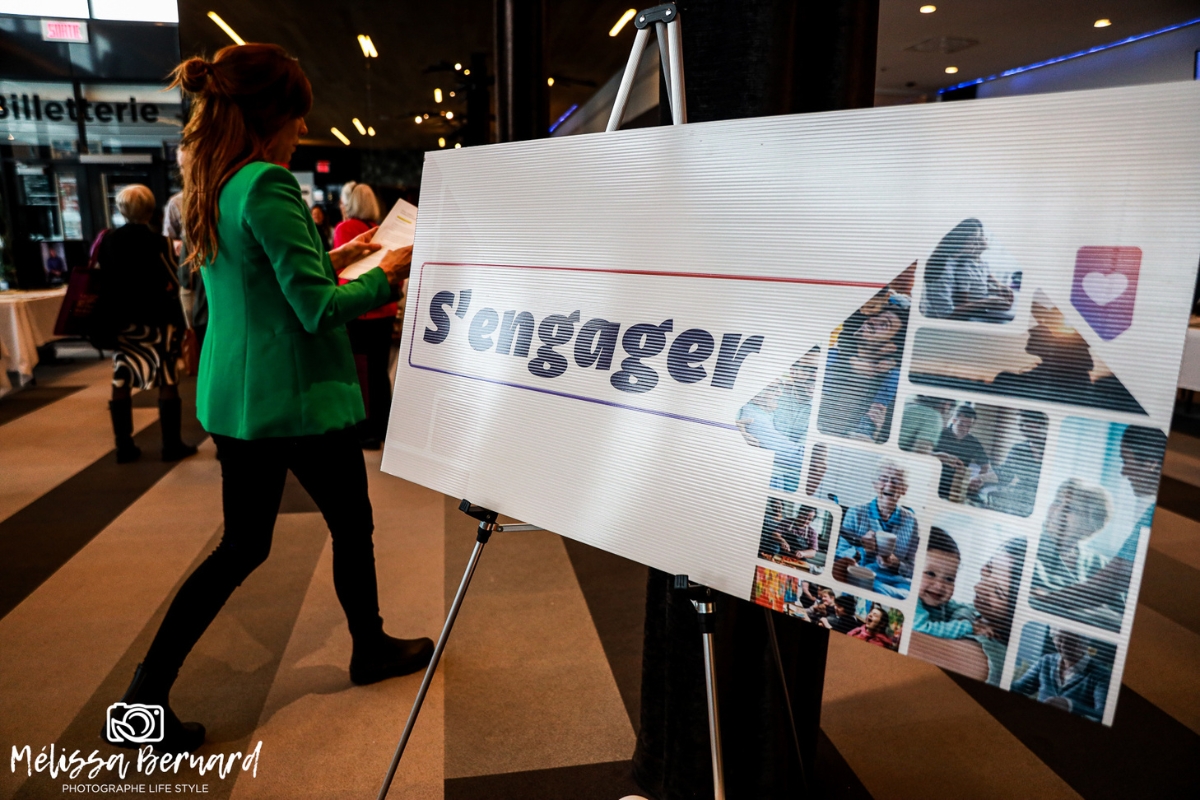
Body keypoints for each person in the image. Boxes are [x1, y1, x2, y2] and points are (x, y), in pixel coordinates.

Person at [104, 44, 430, 755]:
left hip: (242, 397)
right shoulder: (270, 184)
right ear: (273, 116)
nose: (300, 133)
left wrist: (344, 255)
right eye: (297, 118)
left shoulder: (214, 184)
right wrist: (393, 272)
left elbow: (269, 281)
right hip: (298, 396)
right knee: (351, 522)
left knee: (241, 547)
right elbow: (314, 311)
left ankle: (144, 693)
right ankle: (369, 647)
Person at [97, 184, 196, 464]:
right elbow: (174, 280)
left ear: (122, 209)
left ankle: (124, 446)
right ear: (151, 211)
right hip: (157, 319)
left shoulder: (108, 241)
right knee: (166, 376)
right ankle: (171, 444)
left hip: (121, 320)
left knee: (122, 376)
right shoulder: (160, 242)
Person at [1032, 426, 1166, 630]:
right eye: (1056, 501)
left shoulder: (1101, 563)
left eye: (1069, 508)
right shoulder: (1023, 549)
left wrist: (1052, 598)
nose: (1123, 471)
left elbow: (1117, 602)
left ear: (1091, 526)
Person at [908, 538, 1027, 685]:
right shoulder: (973, 611)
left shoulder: (993, 652)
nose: (978, 587)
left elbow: (904, 640)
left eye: (998, 592)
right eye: (988, 570)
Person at [333, 182, 397, 449]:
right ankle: (385, 427)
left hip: (360, 310)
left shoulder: (346, 229)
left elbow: (343, 273)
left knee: (361, 372)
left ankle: (367, 430)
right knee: (379, 371)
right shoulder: (380, 229)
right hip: (385, 308)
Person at [835, 459, 920, 598]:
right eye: (883, 479)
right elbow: (839, 555)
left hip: (895, 583)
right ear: (875, 485)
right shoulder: (855, 512)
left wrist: (895, 563)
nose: (889, 485)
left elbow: (913, 570)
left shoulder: (912, 522)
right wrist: (861, 550)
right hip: (861, 575)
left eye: (896, 481)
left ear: (904, 489)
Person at [919, 218, 1013, 321]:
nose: (978, 243)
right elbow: (944, 314)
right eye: (974, 239)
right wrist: (987, 302)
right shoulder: (942, 269)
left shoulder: (961, 261)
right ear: (961, 240)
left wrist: (997, 289)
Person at [1012, 628, 1111, 722]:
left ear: (1084, 643)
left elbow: (1101, 715)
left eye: (1070, 641)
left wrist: (1070, 706)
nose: (1063, 646)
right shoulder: (1046, 661)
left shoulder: (1102, 674)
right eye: (1059, 639)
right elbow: (1020, 688)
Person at [913, 527, 990, 640]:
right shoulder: (913, 600)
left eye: (949, 579)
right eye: (930, 574)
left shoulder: (940, 602)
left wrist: (980, 615)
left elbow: (961, 606)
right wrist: (970, 627)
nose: (939, 585)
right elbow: (922, 628)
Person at [987, 411, 1048, 517]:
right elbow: (1005, 474)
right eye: (1019, 425)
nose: (1021, 428)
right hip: (1019, 498)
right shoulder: (1017, 449)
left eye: (1025, 423)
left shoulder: (1053, 448)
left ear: (1038, 422)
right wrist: (981, 478)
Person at [933, 404, 995, 502]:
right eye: (961, 424)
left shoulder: (973, 442)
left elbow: (986, 466)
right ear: (954, 420)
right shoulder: (939, 434)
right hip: (934, 481)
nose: (965, 429)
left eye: (969, 426)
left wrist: (979, 479)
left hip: (957, 486)